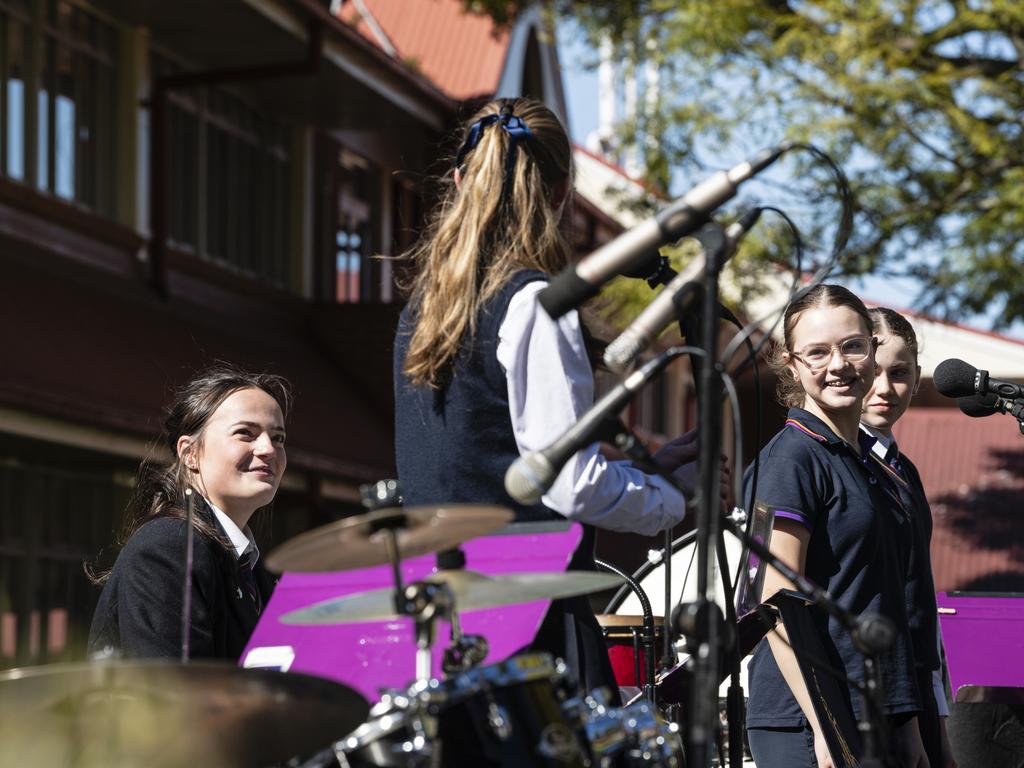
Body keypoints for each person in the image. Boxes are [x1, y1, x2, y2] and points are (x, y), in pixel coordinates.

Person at [393, 97, 715, 694]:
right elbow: (571, 486)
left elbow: (487, 454)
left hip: (443, 624)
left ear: (460, 181)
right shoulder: (537, 305)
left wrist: (641, 470)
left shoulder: (422, 313)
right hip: (529, 622)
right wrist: (668, 497)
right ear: (562, 192)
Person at [744, 284, 927, 768]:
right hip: (808, 724)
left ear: (871, 347)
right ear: (790, 362)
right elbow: (775, 607)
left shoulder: (867, 464)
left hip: (874, 714)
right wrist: (826, 728)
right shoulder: (792, 459)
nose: (839, 365)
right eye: (818, 352)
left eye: (852, 346)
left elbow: (885, 600)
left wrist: (908, 724)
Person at [88, 365, 290, 661]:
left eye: (279, 438)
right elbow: (173, 694)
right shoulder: (167, 547)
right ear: (190, 453)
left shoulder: (253, 569)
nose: (268, 449)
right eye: (245, 433)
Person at [861, 307, 956, 768]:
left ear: (918, 379)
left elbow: (918, 606)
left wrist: (937, 721)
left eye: (899, 373)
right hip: (871, 700)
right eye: (873, 372)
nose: (884, 389)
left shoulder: (904, 470)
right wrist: (908, 725)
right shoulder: (838, 462)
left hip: (917, 696)